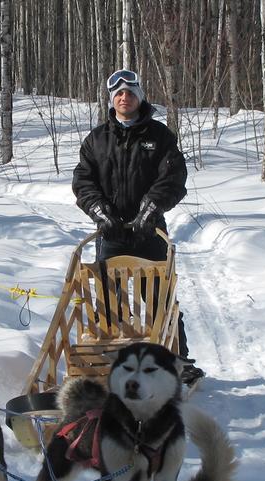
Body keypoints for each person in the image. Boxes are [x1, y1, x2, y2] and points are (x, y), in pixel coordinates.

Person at [71, 68, 204, 386]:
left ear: (139, 97)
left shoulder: (160, 137)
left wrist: (151, 208)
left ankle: (177, 359)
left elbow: (173, 177)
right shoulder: (96, 140)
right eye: (117, 92)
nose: (123, 96)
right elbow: (83, 181)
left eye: (129, 91)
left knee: (160, 300)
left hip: (149, 232)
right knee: (107, 301)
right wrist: (100, 213)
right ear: (111, 99)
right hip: (112, 233)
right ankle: (112, 359)